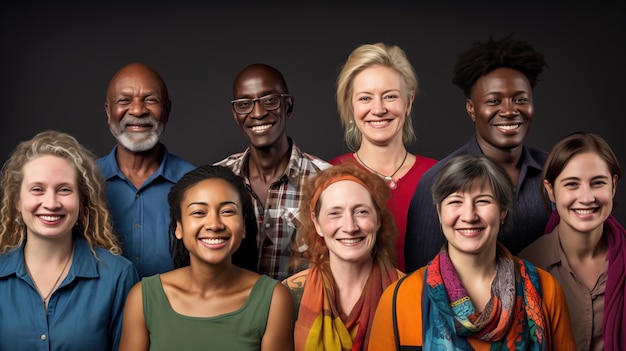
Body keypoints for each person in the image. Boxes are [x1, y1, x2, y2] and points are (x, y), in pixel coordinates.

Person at [369, 154, 576, 350]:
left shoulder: (546, 291)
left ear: (503, 210)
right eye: (455, 202)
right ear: (439, 212)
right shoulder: (400, 298)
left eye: (483, 201)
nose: (469, 215)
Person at [404, 35, 551, 272]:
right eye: (494, 101)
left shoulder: (555, 171)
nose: (509, 110)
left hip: (552, 306)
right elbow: (422, 277)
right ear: (472, 109)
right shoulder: (437, 180)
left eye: (520, 99)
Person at [119, 165, 295, 351]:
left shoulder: (274, 298)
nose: (214, 224)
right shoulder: (143, 297)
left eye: (227, 211)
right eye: (199, 213)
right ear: (179, 227)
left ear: (243, 226)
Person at [0, 130, 139, 350]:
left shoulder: (118, 276)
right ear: (17, 201)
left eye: (64, 190)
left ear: (82, 201)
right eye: (37, 189)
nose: (51, 203)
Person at [215, 63, 331, 280]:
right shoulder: (217, 179)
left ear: (288, 106)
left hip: (302, 313)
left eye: (269, 100)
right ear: (235, 114)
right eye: (244, 104)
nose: (257, 113)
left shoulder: (327, 181)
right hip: (233, 313)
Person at [330, 43, 437, 272]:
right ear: (351, 105)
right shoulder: (331, 175)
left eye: (389, 96)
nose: (378, 109)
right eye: (365, 98)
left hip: (427, 304)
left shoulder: (439, 176)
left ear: (408, 103)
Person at [519, 131, 625, 351]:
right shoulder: (523, 268)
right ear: (551, 191)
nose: (587, 197)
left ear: (613, 186)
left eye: (597, 183)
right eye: (571, 184)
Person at [282, 163, 404, 351]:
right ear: (317, 224)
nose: (350, 227)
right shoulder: (286, 296)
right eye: (334, 213)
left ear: (378, 219)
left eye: (361, 211)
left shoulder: (410, 293)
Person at [97, 62, 195, 277]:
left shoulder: (195, 185)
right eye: (124, 100)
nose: (138, 110)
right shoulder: (85, 182)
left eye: (151, 100)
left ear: (167, 111)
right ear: (108, 111)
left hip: (173, 310)